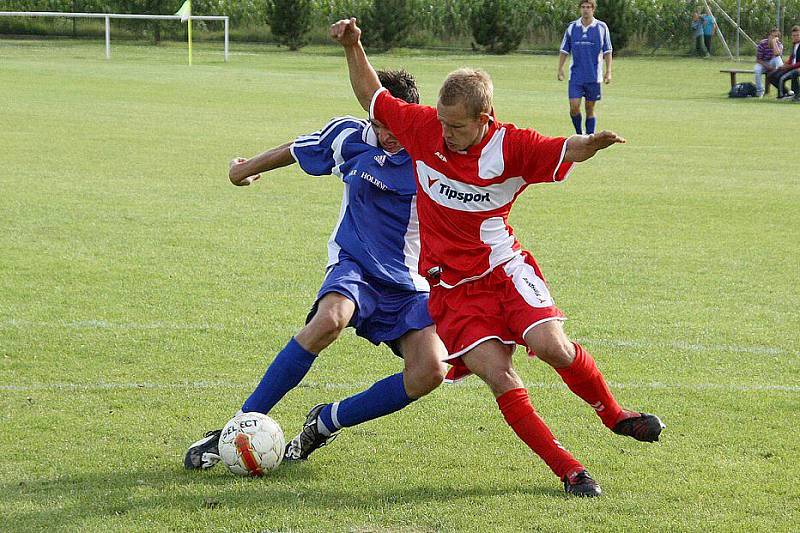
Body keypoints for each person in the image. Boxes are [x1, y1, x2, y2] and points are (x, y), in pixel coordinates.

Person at [330, 17, 665, 498]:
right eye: (442, 123)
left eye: (458, 127)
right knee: (499, 373)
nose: (445, 135)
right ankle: (570, 470)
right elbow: (373, 97)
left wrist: (588, 144)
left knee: (554, 347)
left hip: (505, 270)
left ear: (486, 118)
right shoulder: (426, 128)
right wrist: (354, 46)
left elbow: (562, 147)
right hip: (451, 290)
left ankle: (615, 415)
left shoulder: (511, 146)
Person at [184, 70, 448, 470]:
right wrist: (244, 168)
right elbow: (297, 148)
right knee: (329, 320)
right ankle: (235, 427)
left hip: (410, 282)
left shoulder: (433, 150)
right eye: (381, 124)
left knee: (430, 372)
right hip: (354, 264)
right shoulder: (349, 137)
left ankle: (326, 421)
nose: (389, 134)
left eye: (397, 124)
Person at [557, 0, 613, 135]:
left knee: (589, 108)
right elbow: (564, 50)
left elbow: (608, 51)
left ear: (593, 9)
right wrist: (560, 69)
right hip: (576, 76)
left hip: (594, 76)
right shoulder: (572, 27)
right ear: (580, 9)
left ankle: (590, 137)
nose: (586, 9)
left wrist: (608, 71)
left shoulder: (601, 27)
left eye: (588, 7)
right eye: (583, 7)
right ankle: (579, 134)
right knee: (574, 107)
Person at [766, 25, 800, 99]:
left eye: (797, 35)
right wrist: (785, 65)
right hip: (791, 67)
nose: (795, 37)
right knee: (771, 76)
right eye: (794, 35)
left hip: (796, 68)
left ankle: (795, 95)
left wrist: (789, 66)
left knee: (782, 77)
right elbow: (792, 58)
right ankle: (787, 92)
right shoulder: (794, 45)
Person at [755, 28, 785, 98]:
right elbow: (758, 59)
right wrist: (767, 66)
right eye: (772, 36)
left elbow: (777, 54)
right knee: (757, 70)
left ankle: (782, 90)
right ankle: (760, 92)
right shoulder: (762, 44)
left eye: (776, 36)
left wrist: (774, 43)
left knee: (777, 58)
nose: (774, 38)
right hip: (763, 62)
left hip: (773, 62)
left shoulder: (779, 45)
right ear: (769, 36)